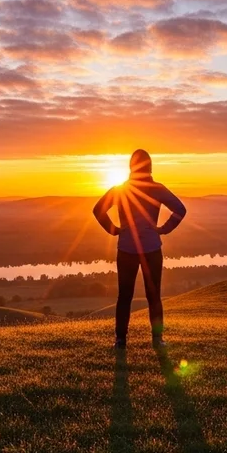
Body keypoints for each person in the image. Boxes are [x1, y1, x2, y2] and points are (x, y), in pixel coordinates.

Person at [92, 149, 187, 348]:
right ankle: (157, 340)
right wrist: (163, 229)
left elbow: (98, 210)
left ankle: (120, 340)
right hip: (152, 248)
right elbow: (180, 210)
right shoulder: (157, 188)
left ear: (131, 167)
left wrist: (114, 230)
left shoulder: (121, 189)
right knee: (154, 296)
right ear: (150, 167)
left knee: (124, 296)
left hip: (126, 248)